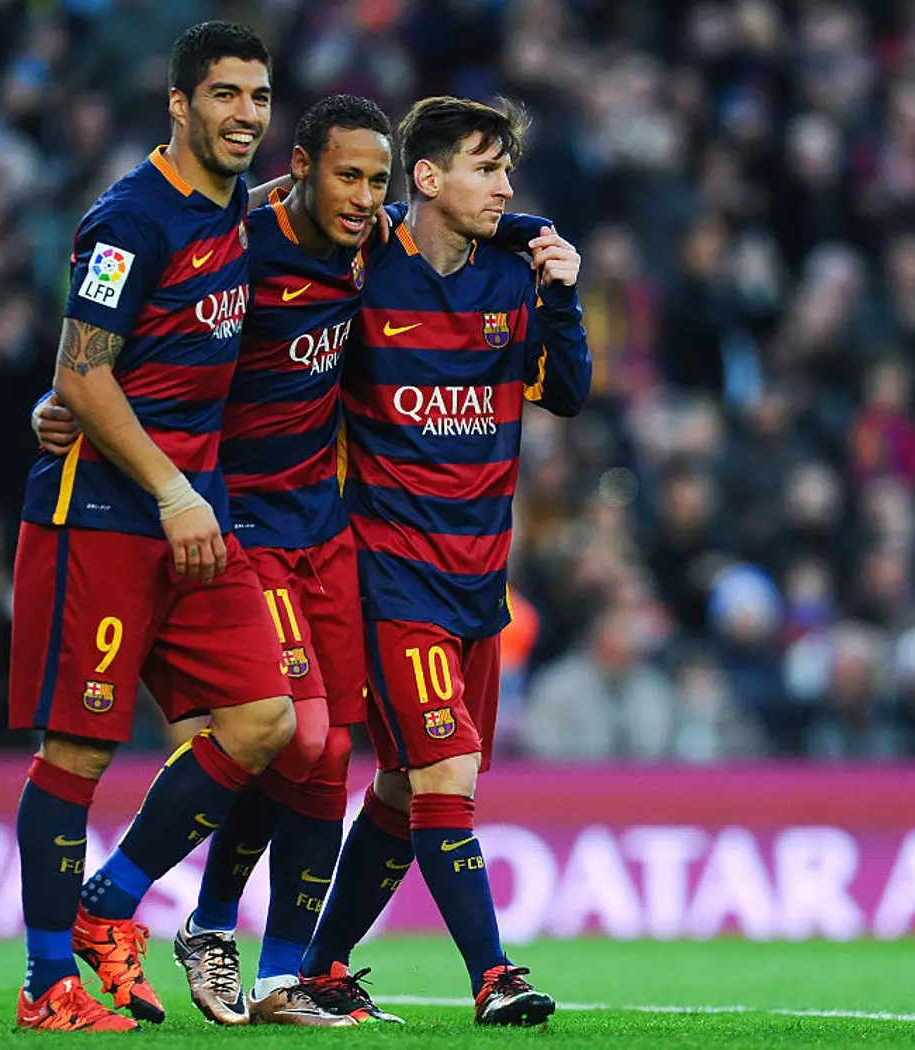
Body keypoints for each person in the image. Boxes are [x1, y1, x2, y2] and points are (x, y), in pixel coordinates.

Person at [36, 94, 404, 1028]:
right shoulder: (240, 239)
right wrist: (59, 402)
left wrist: (535, 237)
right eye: (347, 176)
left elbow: (450, 216)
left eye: (378, 180)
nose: (363, 196)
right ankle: (191, 921)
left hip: (324, 527)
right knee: (296, 732)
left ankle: (281, 973)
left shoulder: (371, 244)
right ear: (305, 166)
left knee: (322, 750)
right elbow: (114, 346)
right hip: (231, 524)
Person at [8, 22, 295, 1034]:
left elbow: (368, 200)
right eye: (224, 95)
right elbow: (78, 374)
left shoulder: (241, 215)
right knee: (77, 753)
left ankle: (108, 904)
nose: (244, 114)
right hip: (104, 515)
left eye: (258, 97)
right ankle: (48, 988)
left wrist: (525, 234)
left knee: (267, 722)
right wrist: (171, 488)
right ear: (180, 105)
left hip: (193, 514)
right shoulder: (128, 219)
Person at [295, 96, 590, 1027]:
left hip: (478, 584)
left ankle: (322, 968)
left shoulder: (514, 270)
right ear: (426, 179)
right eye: (486, 165)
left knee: (401, 786)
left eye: (509, 168)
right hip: (391, 573)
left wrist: (565, 293)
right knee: (446, 772)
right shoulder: (365, 264)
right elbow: (290, 217)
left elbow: (570, 394)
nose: (506, 186)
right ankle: (494, 974)